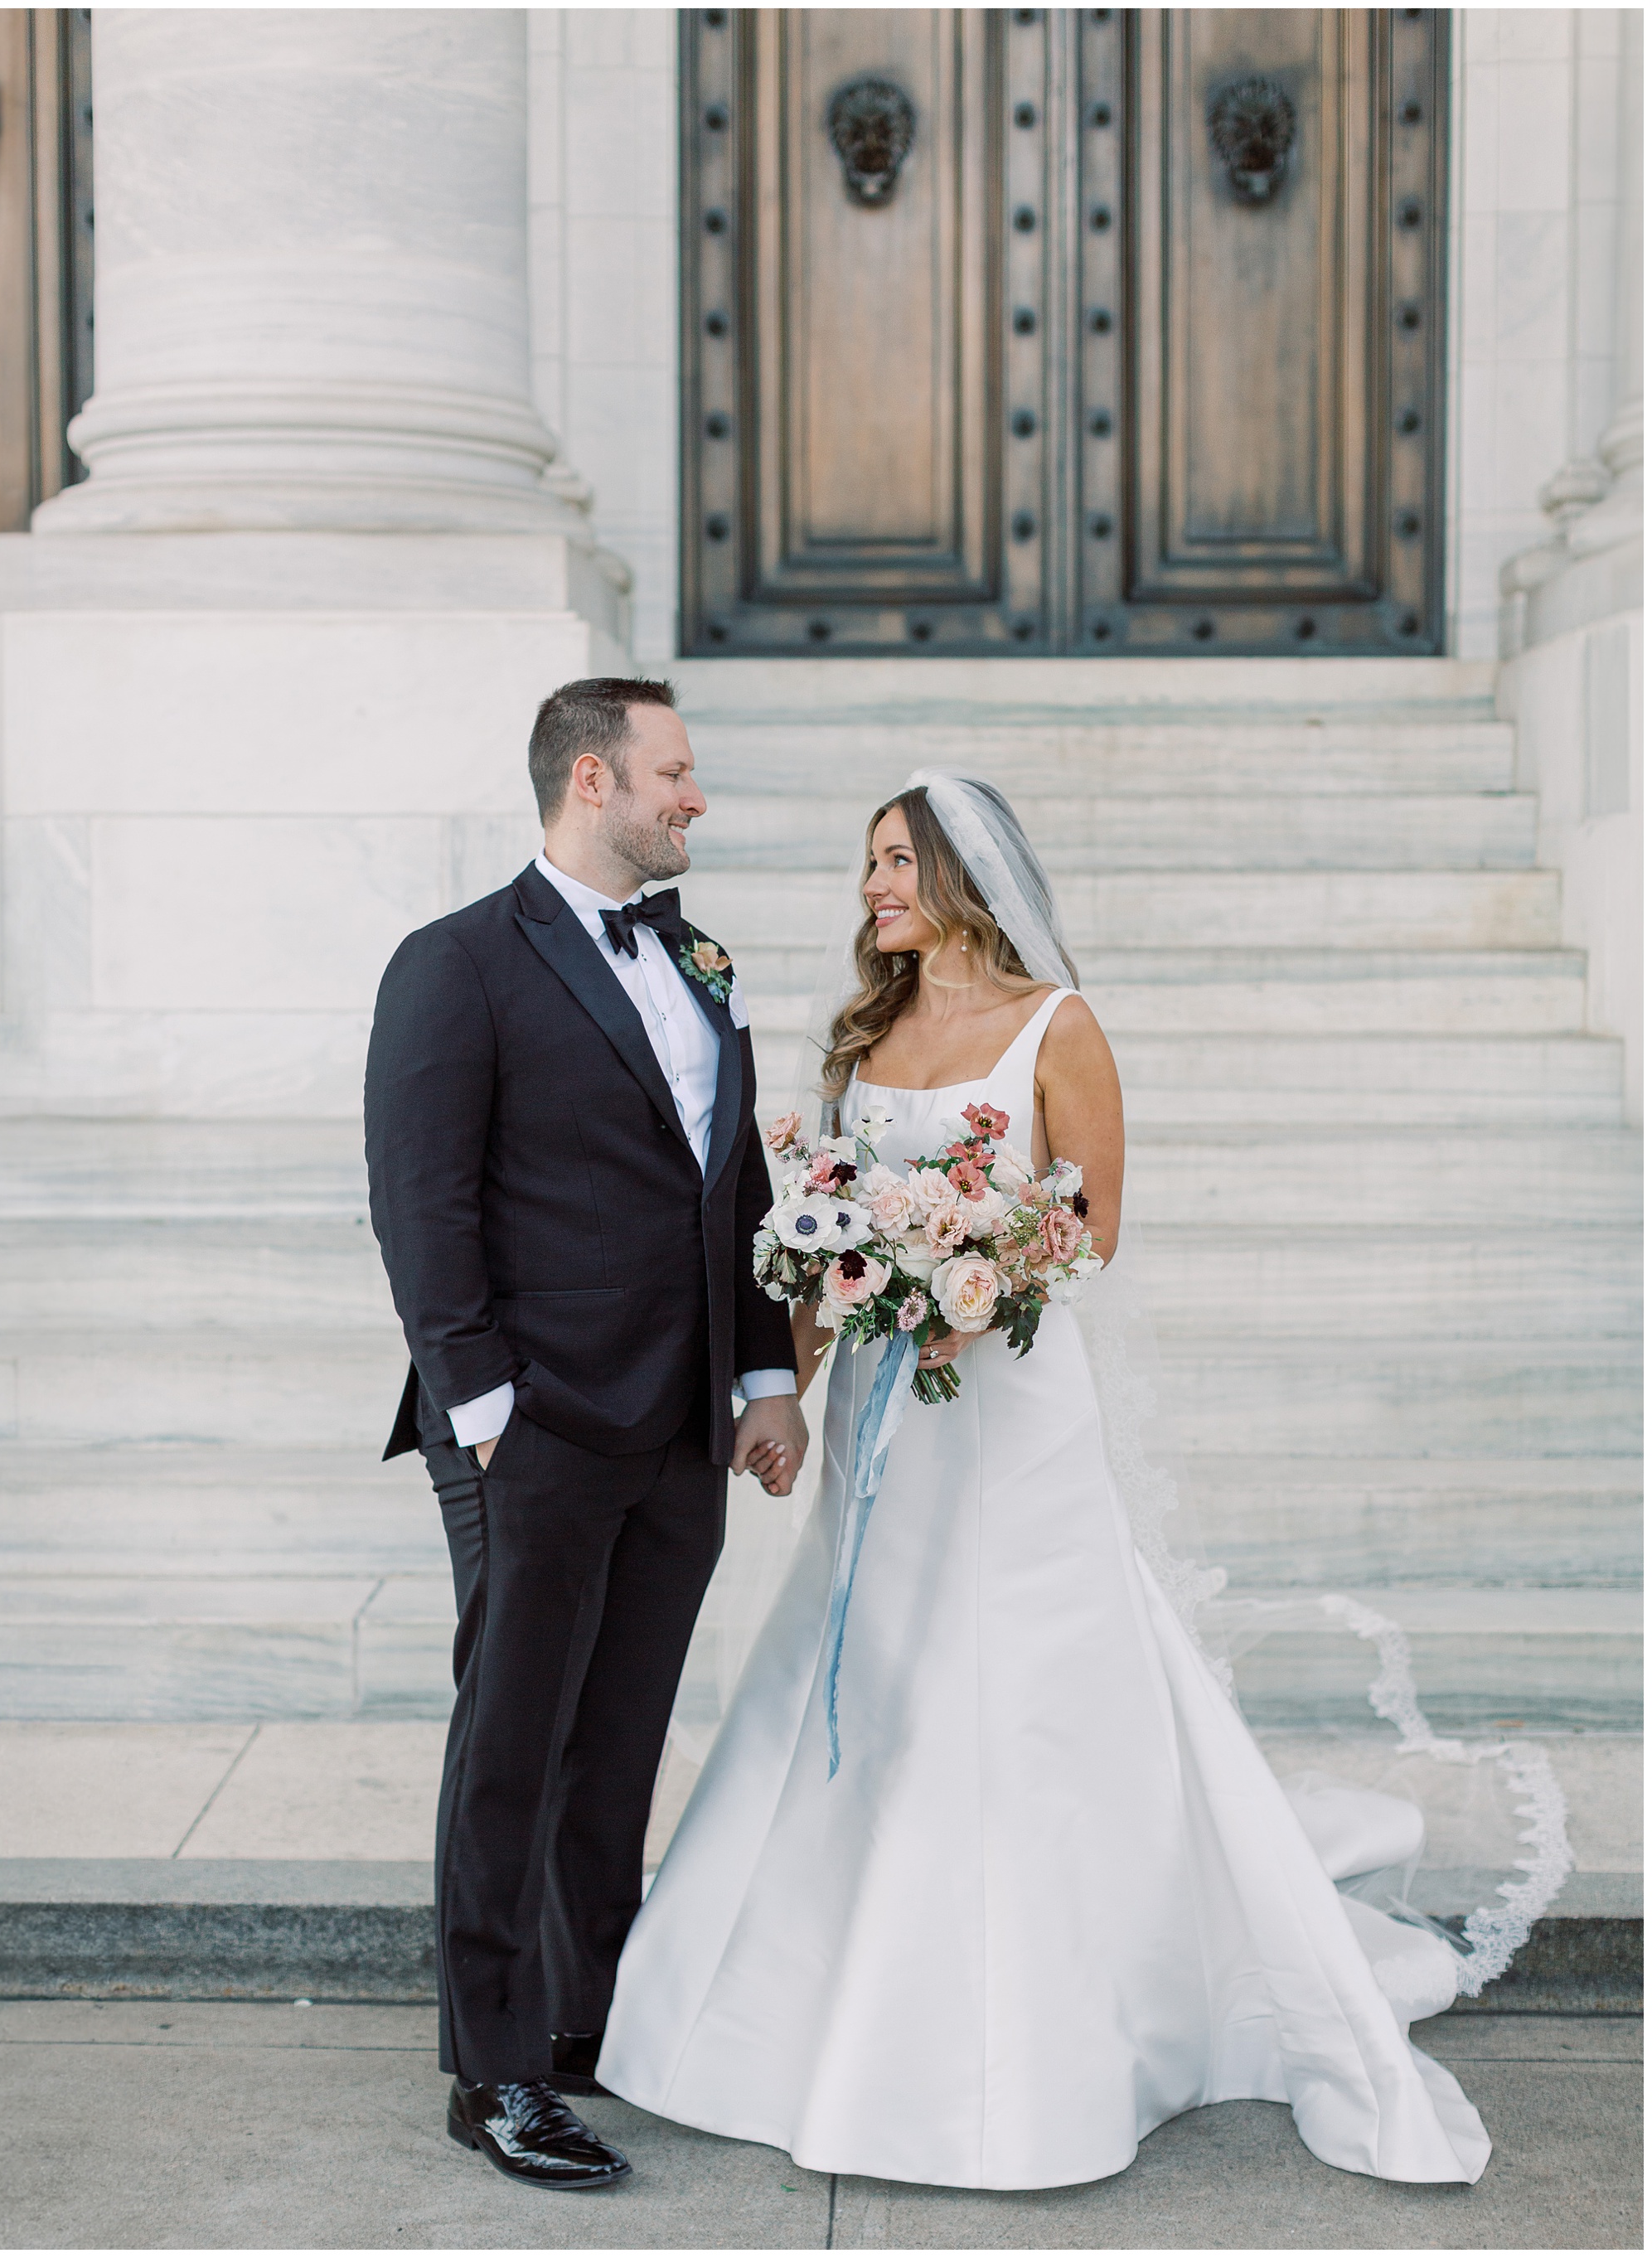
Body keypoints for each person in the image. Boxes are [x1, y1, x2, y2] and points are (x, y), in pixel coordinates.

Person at [597, 773, 1491, 2192]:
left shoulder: (1057, 1029)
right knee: (873, 1672)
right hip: (895, 1418)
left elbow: (1095, 1225)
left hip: (1013, 1416)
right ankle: (817, 1998)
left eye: (893, 862)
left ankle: (1046, 2028)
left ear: (960, 876)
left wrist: (977, 1280)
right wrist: (792, 1395)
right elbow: (831, 1242)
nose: (872, 888)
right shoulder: (870, 1036)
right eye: (869, 867)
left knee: (1016, 1694)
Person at [363, 676, 807, 2190]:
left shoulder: (697, 954)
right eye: (676, 776)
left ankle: (576, 2024)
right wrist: (484, 1412)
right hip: (534, 1427)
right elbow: (421, 1202)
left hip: (682, 1431)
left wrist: (762, 1380)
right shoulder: (457, 966)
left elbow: (732, 1186)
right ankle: (488, 2069)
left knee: (615, 1743)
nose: (697, 800)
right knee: (512, 1743)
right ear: (596, 781)